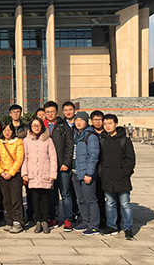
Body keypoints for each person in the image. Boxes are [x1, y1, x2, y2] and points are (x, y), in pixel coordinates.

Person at [99, 114, 136, 240]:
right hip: (107, 177)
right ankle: (112, 226)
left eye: (110, 123)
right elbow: (100, 160)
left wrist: (124, 173)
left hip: (122, 178)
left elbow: (130, 159)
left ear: (116, 124)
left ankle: (128, 228)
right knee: (110, 203)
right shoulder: (102, 140)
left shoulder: (124, 140)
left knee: (125, 204)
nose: (107, 126)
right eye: (105, 124)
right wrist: (102, 173)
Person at [43, 101, 75, 232]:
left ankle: (68, 219)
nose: (50, 114)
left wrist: (66, 163)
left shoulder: (63, 126)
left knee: (65, 193)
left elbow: (70, 146)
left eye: (52, 111)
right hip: (48, 167)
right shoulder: (42, 126)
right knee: (52, 194)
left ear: (57, 113)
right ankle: (53, 218)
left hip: (62, 167)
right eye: (48, 112)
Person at [22, 118, 57, 234]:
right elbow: (24, 158)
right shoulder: (26, 141)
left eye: (38, 125)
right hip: (32, 175)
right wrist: (24, 174)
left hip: (45, 174)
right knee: (35, 199)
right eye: (34, 126)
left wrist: (53, 173)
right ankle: (38, 221)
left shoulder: (48, 140)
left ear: (42, 126)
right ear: (30, 127)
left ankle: (45, 221)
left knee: (45, 199)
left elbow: (53, 157)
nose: (36, 128)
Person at [72, 111, 101, 236]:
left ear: (86, 122)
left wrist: (89, 173)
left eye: (81, 120)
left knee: (90, 200)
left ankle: (94, 226)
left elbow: (93, 156)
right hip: (76, 172)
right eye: (77, 120)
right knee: (81, 200)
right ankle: (85, 221)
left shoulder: (90, 135)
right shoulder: (76, 134)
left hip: (86, 174)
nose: (78, 122)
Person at [0, 121, 25, 234]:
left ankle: (18, 222)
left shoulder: (18, 141)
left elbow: (19, 159)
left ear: (13, 131)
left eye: (9, 130)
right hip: (3, 175)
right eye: (4, 130)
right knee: (6, 200)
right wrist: (1, 172)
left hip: (15, 175)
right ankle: (9, 221)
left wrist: (11, 173)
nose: (7, 132)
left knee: (16, 199)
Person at [90, 110, 110, 229]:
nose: (98, 122)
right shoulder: (88, 133)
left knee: (111, 197)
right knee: (97, 196)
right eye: (95, 120)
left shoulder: (108, 133)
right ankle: (100, 219)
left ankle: (114, 221)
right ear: (91, 121)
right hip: (94, 170)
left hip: (107, 169)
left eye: (100, 120)